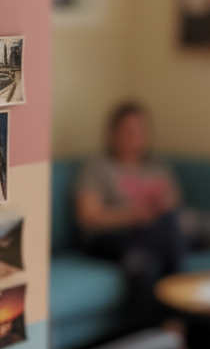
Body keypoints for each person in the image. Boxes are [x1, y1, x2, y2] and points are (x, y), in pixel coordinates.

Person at [75, 101, 185, 329]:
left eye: (140, 131)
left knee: (146, 256)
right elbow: (88, 216)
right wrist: (132, 215)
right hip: (110, 237)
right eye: (128, 131)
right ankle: (171, 328)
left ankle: (164, 333)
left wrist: (159, 208)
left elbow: (173, 202)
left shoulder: (156, 166)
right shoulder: (98, 167)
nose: (134, 137)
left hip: (151, 236)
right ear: (113, 133)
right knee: (147, 256)